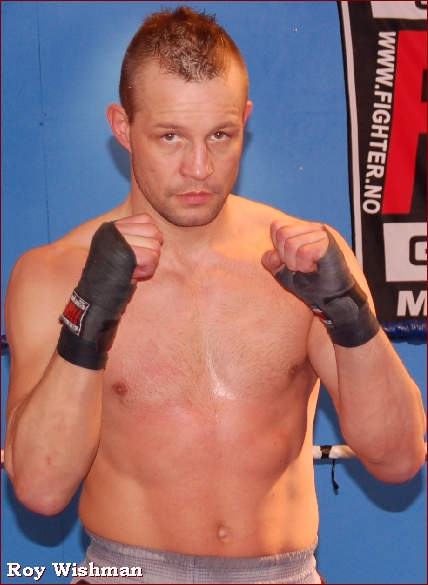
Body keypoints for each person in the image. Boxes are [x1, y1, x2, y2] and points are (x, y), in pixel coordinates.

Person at [4, 6, 426, 585]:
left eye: (220, 136)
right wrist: (89, 311)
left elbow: (399, 458)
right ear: (123, 127)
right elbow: (40, 488)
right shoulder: (54, 274)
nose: (200, 168)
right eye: (170, 137)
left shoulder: (302, 258)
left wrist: (349, 315)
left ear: (245, 120)